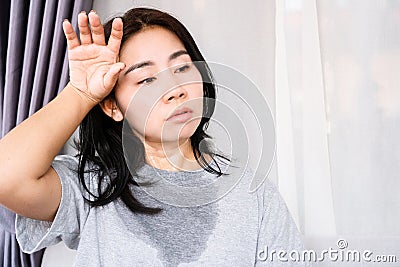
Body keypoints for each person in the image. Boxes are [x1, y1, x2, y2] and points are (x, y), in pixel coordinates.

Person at [0, 7, 309, 266]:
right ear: (112, 106)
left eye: (182, 67)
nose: (174, 90)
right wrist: (80, 93)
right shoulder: (92, 187)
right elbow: (7, 177)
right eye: (147, 79)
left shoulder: (254, 196)